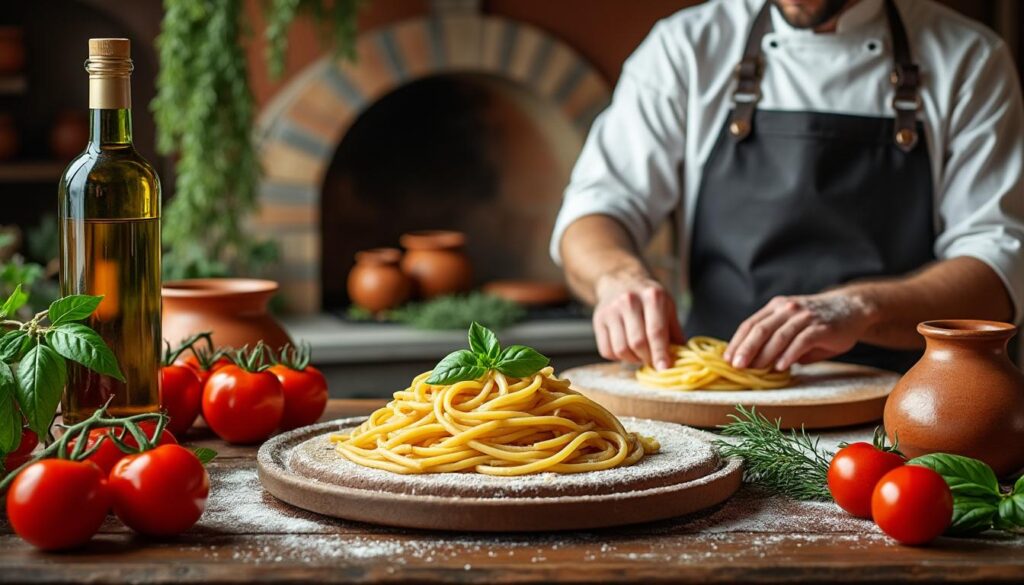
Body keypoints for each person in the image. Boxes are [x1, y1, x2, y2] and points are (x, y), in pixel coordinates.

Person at [552, 0, 1024, 373]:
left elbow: (996, 268)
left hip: (904, 404)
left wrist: (859, 307)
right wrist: (618, 279)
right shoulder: (687, 47)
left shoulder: (969, 60)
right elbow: (598, 209)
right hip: (721, 396)